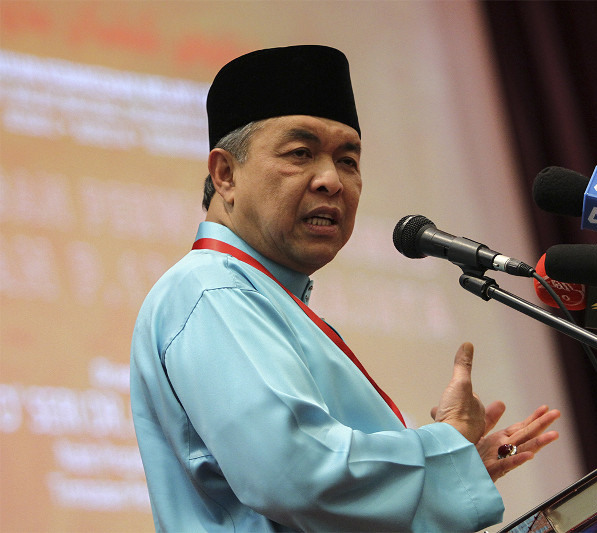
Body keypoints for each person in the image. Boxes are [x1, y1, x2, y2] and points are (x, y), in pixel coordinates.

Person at [130, 45, 561, 532]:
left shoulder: (261, 293)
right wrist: (446, 444)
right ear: (225, 174)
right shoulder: (210, 290)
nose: (332, 181)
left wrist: (454, 469)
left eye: (348, 160)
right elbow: (296, 476)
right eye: (301, 154)